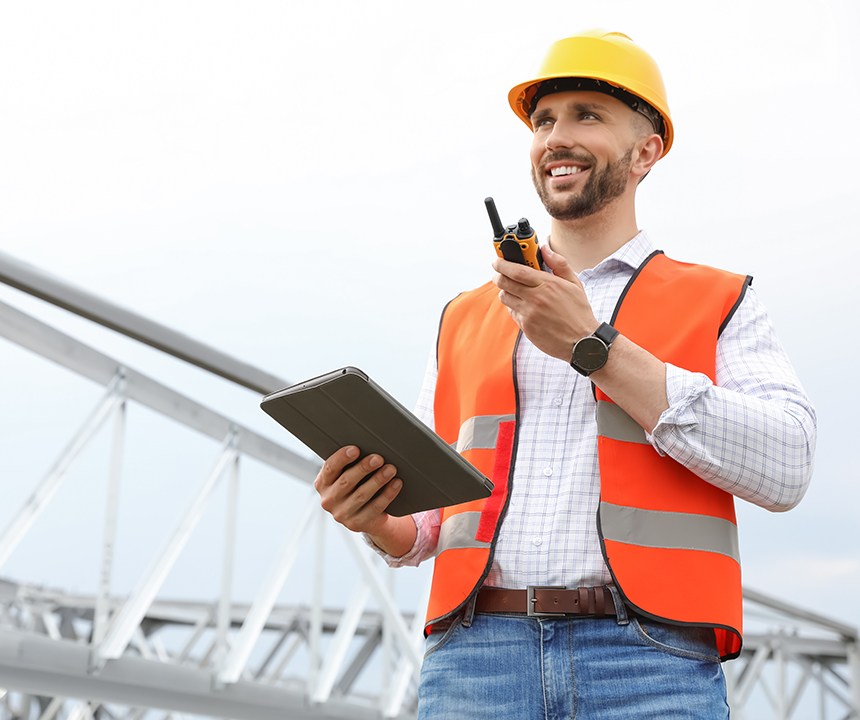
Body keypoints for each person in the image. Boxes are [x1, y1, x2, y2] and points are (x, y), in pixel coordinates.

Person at [313, 29, 816, 719]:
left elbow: (787, 466)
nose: (556, 136)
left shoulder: (721, 299)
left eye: (587, 115)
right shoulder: (465, 316)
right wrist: (379, 520)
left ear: (647, 151)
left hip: (650, 662)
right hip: (474, 661)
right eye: (544, 120)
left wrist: (596, 346)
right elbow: (436, 524)